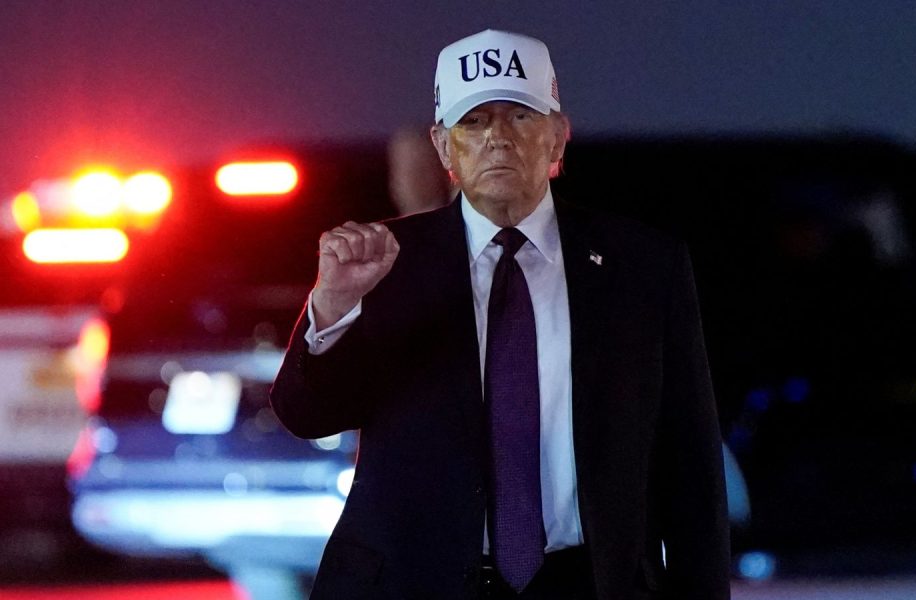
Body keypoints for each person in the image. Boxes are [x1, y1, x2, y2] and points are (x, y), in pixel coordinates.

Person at [271, 29, 730, 600]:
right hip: (418, 586)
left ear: (558, 137)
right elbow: (306, 415)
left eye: (519, 116)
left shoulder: (641, 265)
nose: (498, 139)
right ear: (443, 148)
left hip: (587, 586)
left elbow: (691, 464)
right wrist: (333, 308)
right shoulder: (385, 261)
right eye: (474, 121)